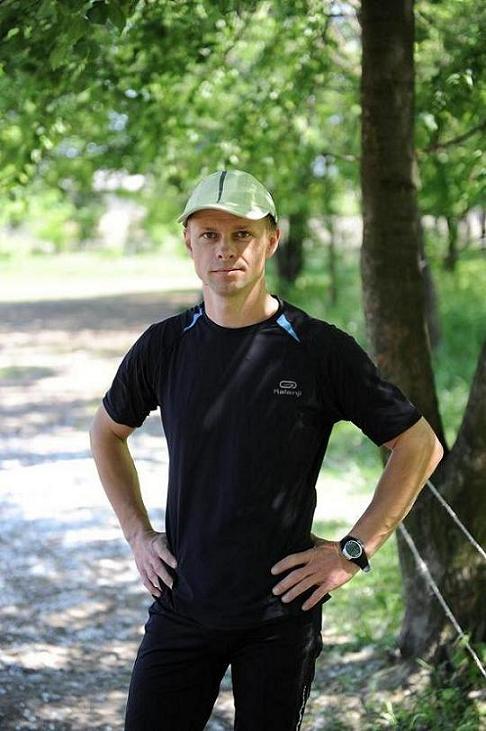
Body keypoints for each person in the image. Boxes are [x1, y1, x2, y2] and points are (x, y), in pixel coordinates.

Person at [89, 169, 443, 730]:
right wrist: (138, 534)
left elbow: (418, 445)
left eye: (242, 235)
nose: (224, 250)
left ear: (271, 241)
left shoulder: (319, 349)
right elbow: (106, 433)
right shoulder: (165, 346)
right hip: (184, 604)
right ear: (188, 243)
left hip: (282, 614)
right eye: (209, 235)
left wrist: (353, 551)